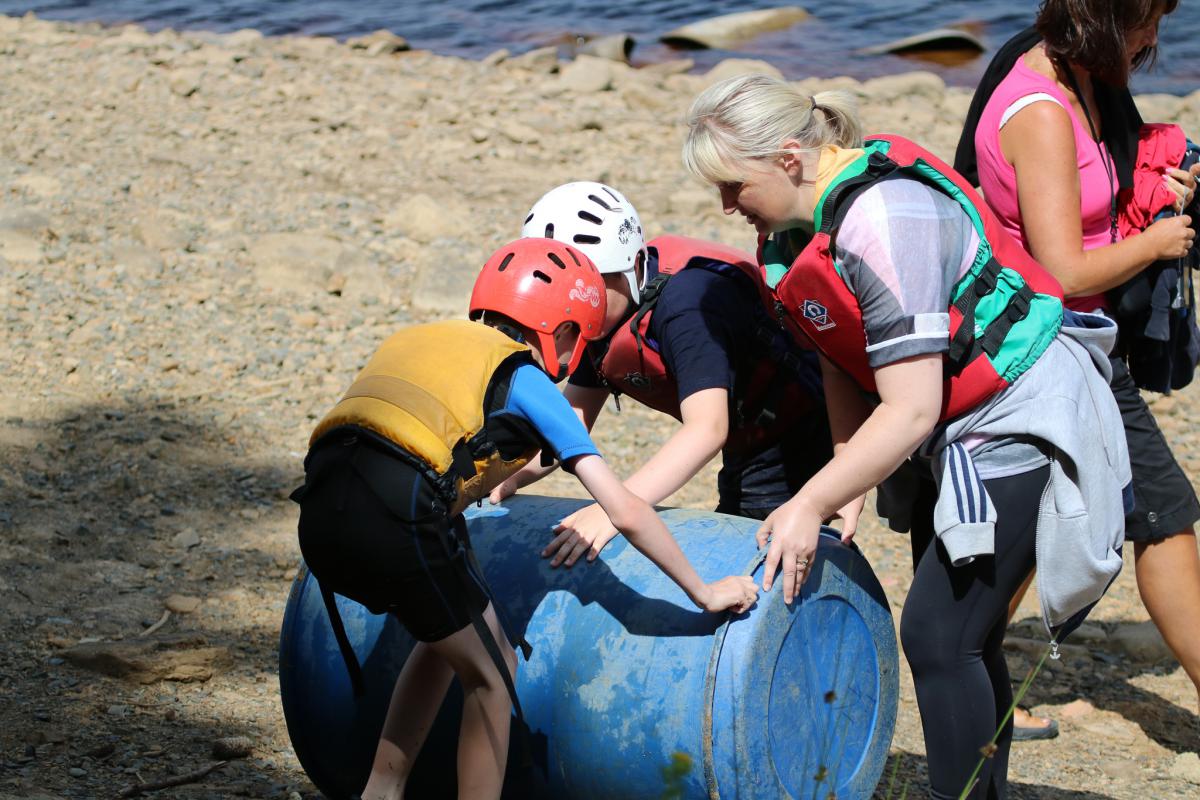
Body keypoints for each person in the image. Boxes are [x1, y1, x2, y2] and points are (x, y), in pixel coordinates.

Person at [683, 73, 1130, 799]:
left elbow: (913, 409)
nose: (727, 206)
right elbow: (836, 348)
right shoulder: (797, 226)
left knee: (938, 637)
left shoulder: (888, 217)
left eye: (733, 185)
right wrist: (844, 475)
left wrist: (806, 503)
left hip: (1021, 415)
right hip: (953, 430)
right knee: (966, 638)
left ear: (790, 159)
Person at [291, 237, 758, 800]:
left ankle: (381, 791)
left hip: (320, 510)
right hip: (400, 518)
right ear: (560, 331)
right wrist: (704, 591)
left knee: (447, 638)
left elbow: (412, 445)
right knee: (494, 672)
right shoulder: (526, 379)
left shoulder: (426, 340)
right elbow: (625, 510)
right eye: (575, 337)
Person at [954, 0, 1200, 733]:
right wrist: (1160, 244)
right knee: (1161, 517)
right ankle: (959, 672)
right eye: (1146, 21)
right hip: (1049, 350)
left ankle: (963, 674)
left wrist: (1156, 190)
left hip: (1081, 344)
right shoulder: (1039, 108)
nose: (1154, 37)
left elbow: (1091, 202)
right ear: (1105, 17)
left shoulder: (1083, 76)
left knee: (1051, 523)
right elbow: (1060, 269)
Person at [489, 181, 833, 566]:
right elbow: (569, 423)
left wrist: (615, 509)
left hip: (801, 424)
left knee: (762, 554)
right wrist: (507, 475)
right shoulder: (600, 312)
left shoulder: (686, 306)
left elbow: (707, 429)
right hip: (747, 431)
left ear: (633, 267)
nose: (578, 301)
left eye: (589, 287)